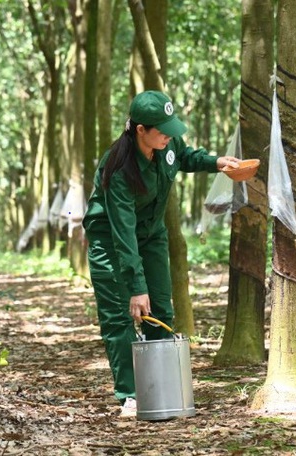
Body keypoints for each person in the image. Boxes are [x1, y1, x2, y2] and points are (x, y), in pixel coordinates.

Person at [82, 90, 241, 418]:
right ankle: (131, 394)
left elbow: (185, 157)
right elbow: (123, 233)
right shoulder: (119, 168)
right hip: (111, 241)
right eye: (163, 129)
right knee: (120, 316)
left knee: (161, 310)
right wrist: (136, 287)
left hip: (151, 234)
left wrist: (217, 163)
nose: (170, 134)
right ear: (140, 130)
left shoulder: (167, 146)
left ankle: (162, 389)